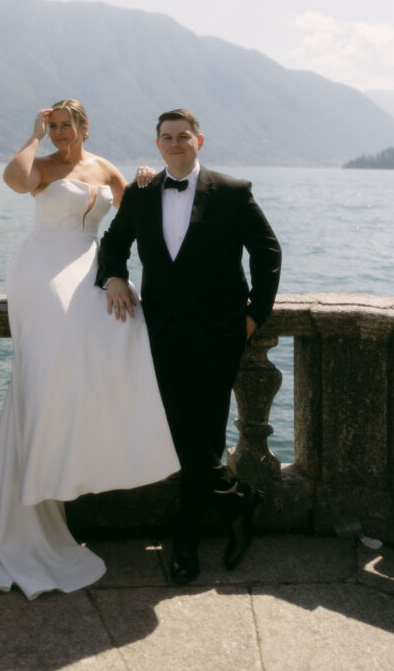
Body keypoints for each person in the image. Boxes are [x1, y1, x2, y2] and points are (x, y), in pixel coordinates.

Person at [0, 100, 179, 599]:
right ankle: (44, 473)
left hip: (93, 264)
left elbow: (137, 213)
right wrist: (31, 134)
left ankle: (97, 450)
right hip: (43, 269)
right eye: (50, 126)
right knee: (56, 360)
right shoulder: (41, 166)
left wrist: (147, 177)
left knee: (126, 330)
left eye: (63, 125)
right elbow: (13, 180)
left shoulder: (103, 168)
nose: (57, 133)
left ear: (83, 126)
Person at [96, 108, 281, 584]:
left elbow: (267, 251)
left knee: (207, 435)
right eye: (166, 137)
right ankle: (240, 501)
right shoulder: (141, 194)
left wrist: (254, 315)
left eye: (183, 136)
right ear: (157, 144)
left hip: (220, 334)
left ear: (200, 140)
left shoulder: (234, 192)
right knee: (183, 436)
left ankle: (188, 542)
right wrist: (115, 277)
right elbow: (111, 245)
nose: (175, 143)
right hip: (161, 332)